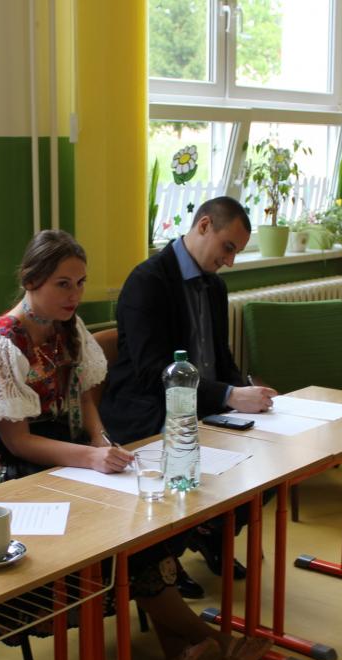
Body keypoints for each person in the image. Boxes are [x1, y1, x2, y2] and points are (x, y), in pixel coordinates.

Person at [0, 229, 270, 660]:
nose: (75, 295)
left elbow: (85, 400)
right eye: (63, 283)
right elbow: (17, 442)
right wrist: (89, 458)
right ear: (31, 281)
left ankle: (180, 647)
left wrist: (102, 442)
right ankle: (208, 639)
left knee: (138, 522)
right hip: (8, 471)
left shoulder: (67, 327)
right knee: (116, 530)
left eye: (80, 283)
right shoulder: (0, 342)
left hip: (60, 451)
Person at [100, 196, 277, 583]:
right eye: (227, 247)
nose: (230, 261)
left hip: (203, 405)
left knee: (269, 462)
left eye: (236, 252)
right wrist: (229, 396)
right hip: (150, 409)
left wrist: (247, 391)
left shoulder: (214, 287)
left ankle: (208, 533)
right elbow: (153, 374)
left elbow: (222, 357)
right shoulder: (148, 281)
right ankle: (168, 555)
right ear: (204, 226)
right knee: (195, 464)